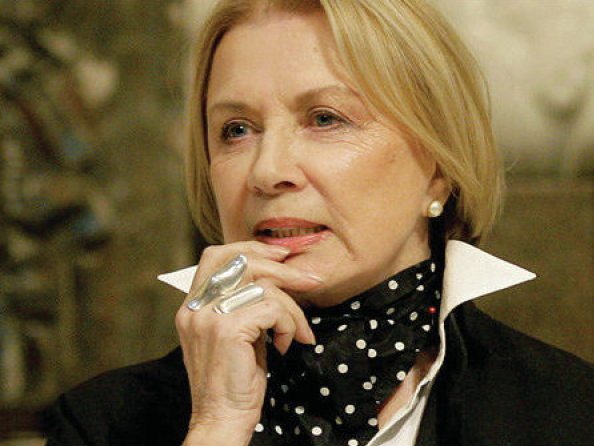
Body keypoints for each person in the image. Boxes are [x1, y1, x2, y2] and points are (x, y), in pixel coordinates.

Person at [44, 0, 594, 445]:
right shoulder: (101, 424)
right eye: (237, 129)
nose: (268, 171)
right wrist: (217, 425)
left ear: (437, 169)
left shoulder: (570, 412)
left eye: (325, 119)